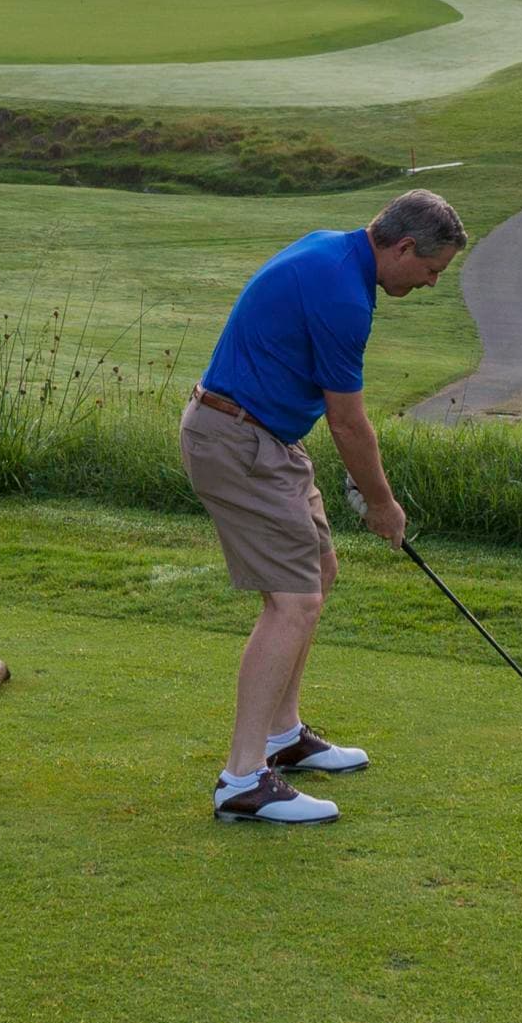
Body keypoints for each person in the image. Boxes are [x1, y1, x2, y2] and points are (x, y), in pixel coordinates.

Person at [182, 189, 468, 825]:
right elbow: (347, 422)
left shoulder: (333, 252)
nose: (430, 284)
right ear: (401, 247)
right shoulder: (344, 295)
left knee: (319, 572)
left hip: (263, 439)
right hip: (237, 439)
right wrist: (382, 503)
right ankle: (242, 779)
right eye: (430, 270)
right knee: (294, 600)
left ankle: (282, 738)